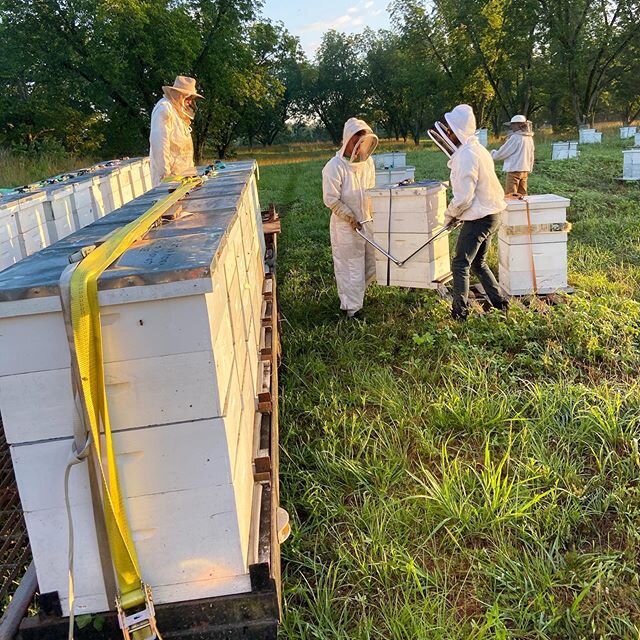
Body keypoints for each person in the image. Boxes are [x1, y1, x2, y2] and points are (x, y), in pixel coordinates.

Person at [434, 104, 509, 320]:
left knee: (460, 264)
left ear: (457, 129)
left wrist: (449, 215)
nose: (447, 134)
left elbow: (464, 197)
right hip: (491, 215)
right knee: (478, 263)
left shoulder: (467, 154)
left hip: (481, 217)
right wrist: (457, 216)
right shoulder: (476, 149)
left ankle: (460, 313)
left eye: (449, 129)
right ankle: (500, 303)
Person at [322, 118, 379, 319]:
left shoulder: (368, 163)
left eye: (362, 141)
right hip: (345, 226)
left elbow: (372, 190)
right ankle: (352, 310)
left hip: (367, 220)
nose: (359, 145)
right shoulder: (334, 167)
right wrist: (348, 215)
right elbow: (331, 199)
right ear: (347, 140)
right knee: (350, 267)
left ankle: (358, 297)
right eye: (355, 140)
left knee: (371, 262)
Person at [149, 76, 204, 186]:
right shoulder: (164, 109)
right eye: (188, 98)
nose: (189, 103)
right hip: (170, 178)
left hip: (184, 175)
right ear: (180, 95)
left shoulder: (177, 112)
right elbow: (160, 144)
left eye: (191, 99)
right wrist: (165, 175)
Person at [490, 114, 535, 196]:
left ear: (519, 125)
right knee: (523, 196)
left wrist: (493, 154)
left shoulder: (515, 137)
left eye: (513, 124)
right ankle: (524, 209)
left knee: (512, 197)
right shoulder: (529, 138)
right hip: (525, 171)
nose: (512, 126)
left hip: (514, 171)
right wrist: (530, 168)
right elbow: (531, 155)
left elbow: (504, 152)